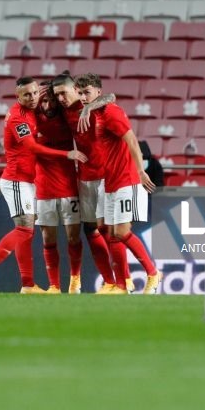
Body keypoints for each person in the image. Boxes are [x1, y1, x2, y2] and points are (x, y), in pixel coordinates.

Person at [0, 76, 87, 294]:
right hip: (17, 180)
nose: (33, 98)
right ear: (17, 96)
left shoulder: (33, 109)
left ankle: (28, 284)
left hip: (28, 181)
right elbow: (32, 147)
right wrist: (67, 153)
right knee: (25, 229)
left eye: (35, 93)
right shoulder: (18, 118)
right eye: (27, 95)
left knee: (27, 231)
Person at [64, 73, 162, 295]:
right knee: (105, 230)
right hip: (109, 182)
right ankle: (121, 284)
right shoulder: (93, 113)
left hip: (126, 180)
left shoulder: (111, 112)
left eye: (86, 92)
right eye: (79, 93)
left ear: (98, 92)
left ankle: (153, 273)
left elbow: (132, 140)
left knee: (121, 232)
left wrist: (140, 171)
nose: (82, 97)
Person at [54, 74, 118, 294]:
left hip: (106, 175)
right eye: (58, 95)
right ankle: (110, 282)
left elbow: (111, 95)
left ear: (76, 89)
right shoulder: (62, 110)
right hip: (85, 176)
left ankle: (124, 280)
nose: (62, 98)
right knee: (91, 229)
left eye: (65, 92)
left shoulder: (94, 104)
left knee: (112, 229)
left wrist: (90, 108)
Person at [34, 88, 83, 294]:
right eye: (43, 101)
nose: (48, 105)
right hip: (44, 188)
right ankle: (54, 285)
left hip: (68, 187)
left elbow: (93, 101)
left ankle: (75, 279)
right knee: (48, 239)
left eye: (52, 100)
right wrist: (36, 96)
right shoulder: (32, 118)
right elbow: (19, 104)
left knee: (73, 237)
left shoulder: (66, 117)